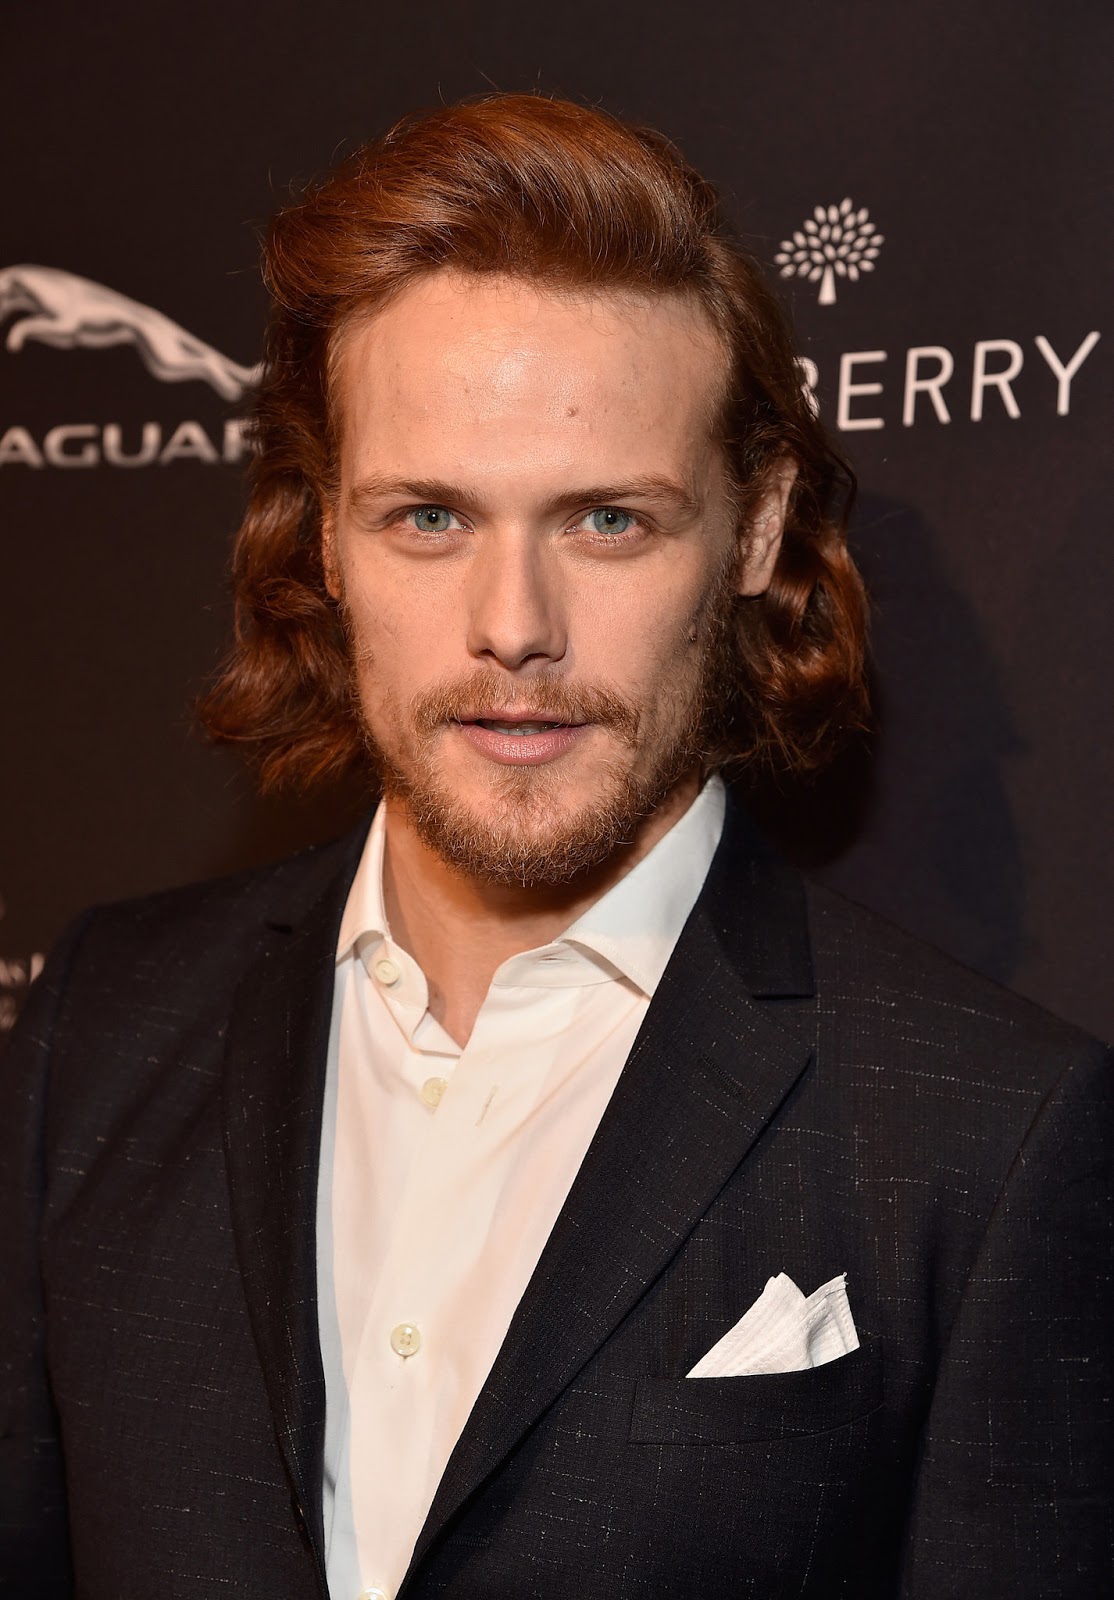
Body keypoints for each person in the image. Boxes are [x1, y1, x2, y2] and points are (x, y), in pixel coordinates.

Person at [1, 93, 1109, 1600]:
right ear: (324, 535)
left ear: (755, 530)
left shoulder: (986, 1134)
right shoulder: (102, 1026)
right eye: (428, 518)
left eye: (606, 522)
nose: (513, 627)